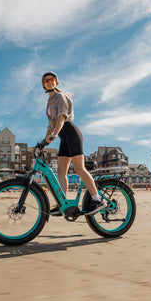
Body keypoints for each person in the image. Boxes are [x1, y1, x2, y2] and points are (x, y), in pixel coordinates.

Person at [41, 72, 107, 216]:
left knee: (79, 169)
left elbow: (61, 118)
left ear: (56, 82)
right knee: (60, 172)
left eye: (52, 79)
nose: (49, 82)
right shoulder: (49, 102)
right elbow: (50, 125)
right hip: (63, 138)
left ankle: (97, 199)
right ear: (44, 84)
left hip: (71, 133)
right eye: (46, 80)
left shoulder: (60, 97)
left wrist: (54, 135)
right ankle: (62, 204)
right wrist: (44, 142)